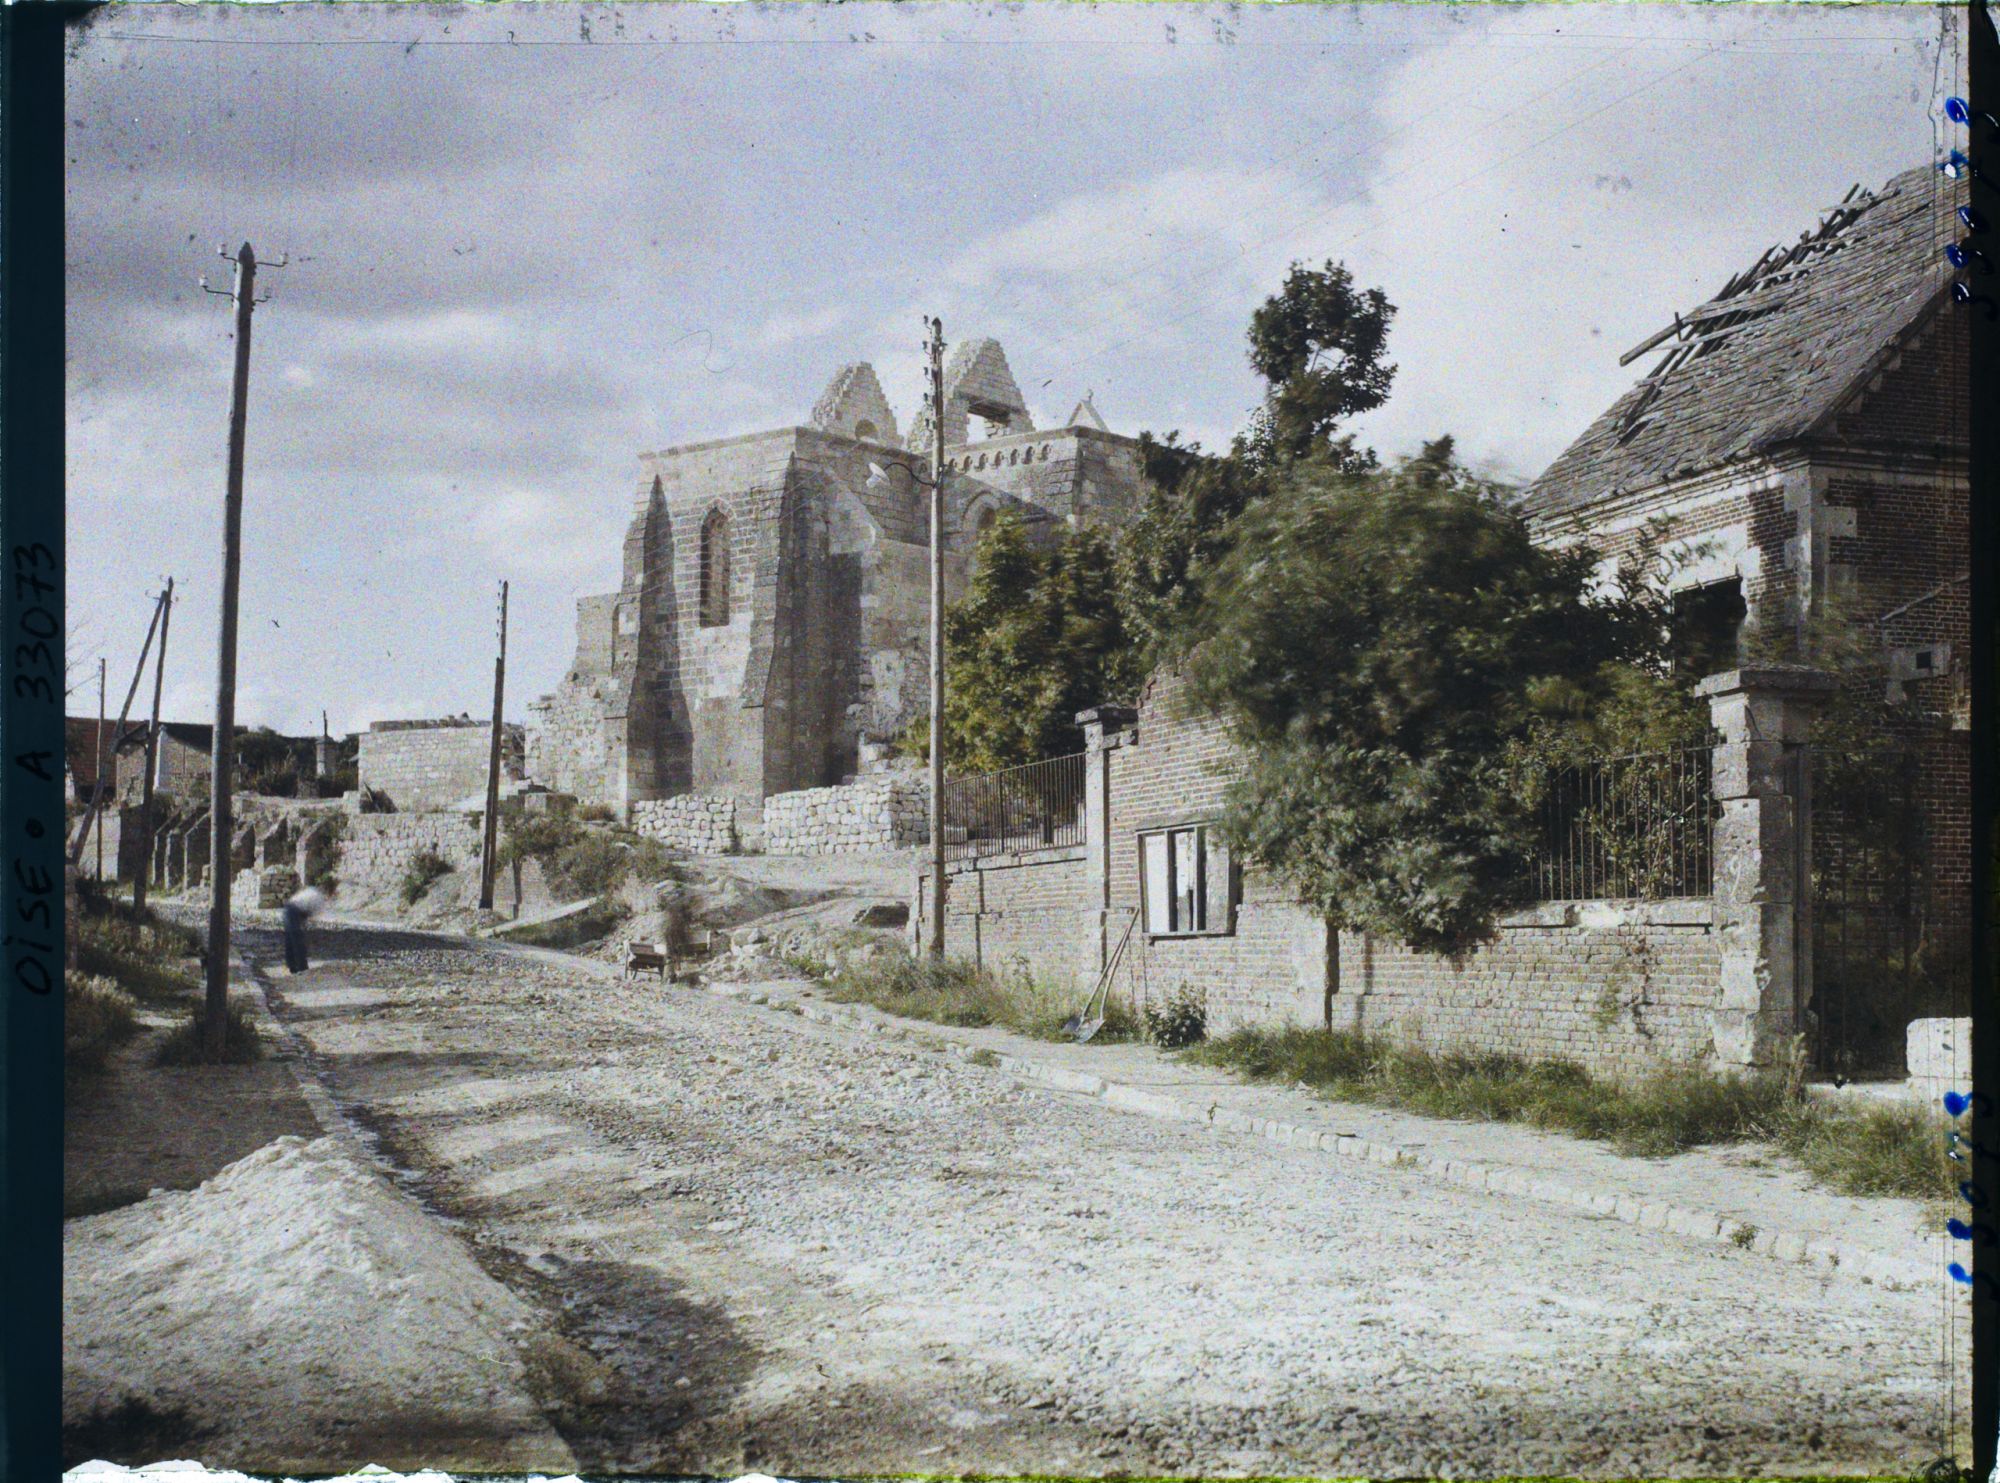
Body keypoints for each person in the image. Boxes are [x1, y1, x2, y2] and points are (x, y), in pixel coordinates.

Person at [282, 884, 329, 973]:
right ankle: (302, 967)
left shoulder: (311, 890)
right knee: (298, 941)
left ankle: (292, 966)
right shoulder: (319, 898)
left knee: (290, 940)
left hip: (288, 908)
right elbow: (311, 914)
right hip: (294, 911)